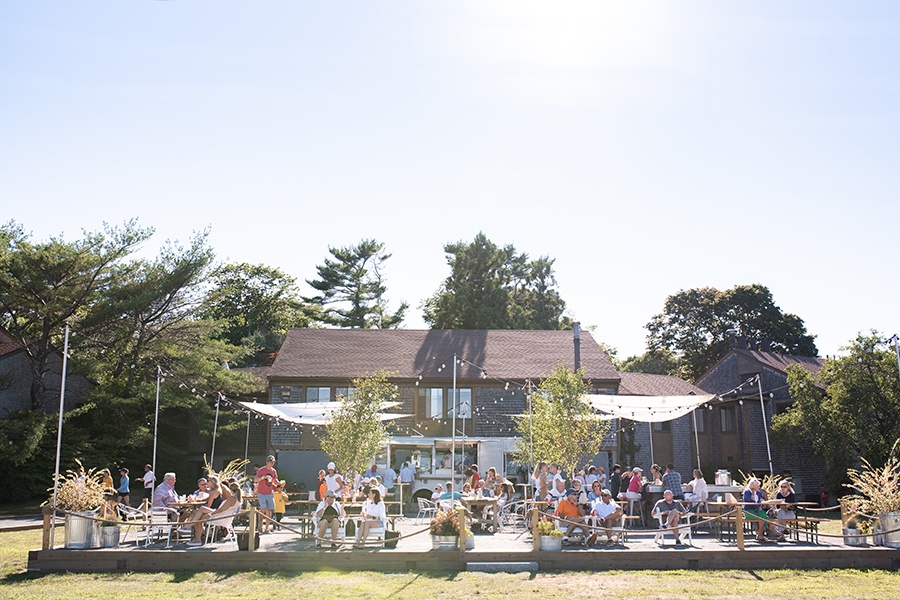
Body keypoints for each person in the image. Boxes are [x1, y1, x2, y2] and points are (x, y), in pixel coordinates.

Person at [186, 481, 241, 546]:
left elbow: (221, 510)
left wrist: (212, 513)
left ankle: (194, 534)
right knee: (200, 511)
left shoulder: (232, 499)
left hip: (220, 517)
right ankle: (195, 535)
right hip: (222, 516)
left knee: (199, 515)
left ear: (230, 489)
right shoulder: (237, 499)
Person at [255, 455, 279, 534]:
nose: (272, 464)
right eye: (271, 462)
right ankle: (260, 525)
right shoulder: (261, 470)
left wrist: (279, 484)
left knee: (269, 511)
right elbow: (255, 480)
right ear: (267, 462)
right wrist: (263, 477)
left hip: (269, 493)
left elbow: (274, 481)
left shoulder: (273, 471)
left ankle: (267, 528)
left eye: (273, 462)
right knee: (263, 509)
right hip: (261, 492)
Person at [742, 477, 769, 542]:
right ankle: (760, 535)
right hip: (749, 510)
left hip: (757, 509)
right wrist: (753, 497)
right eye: (758, 486)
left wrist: (759, 506)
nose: (759, 487)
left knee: (764, 516)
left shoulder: (758, 493)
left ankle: (759, 534)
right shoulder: (747, 492)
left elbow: (759, 501)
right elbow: (748, 501)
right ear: (754, 486)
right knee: (760, 518)